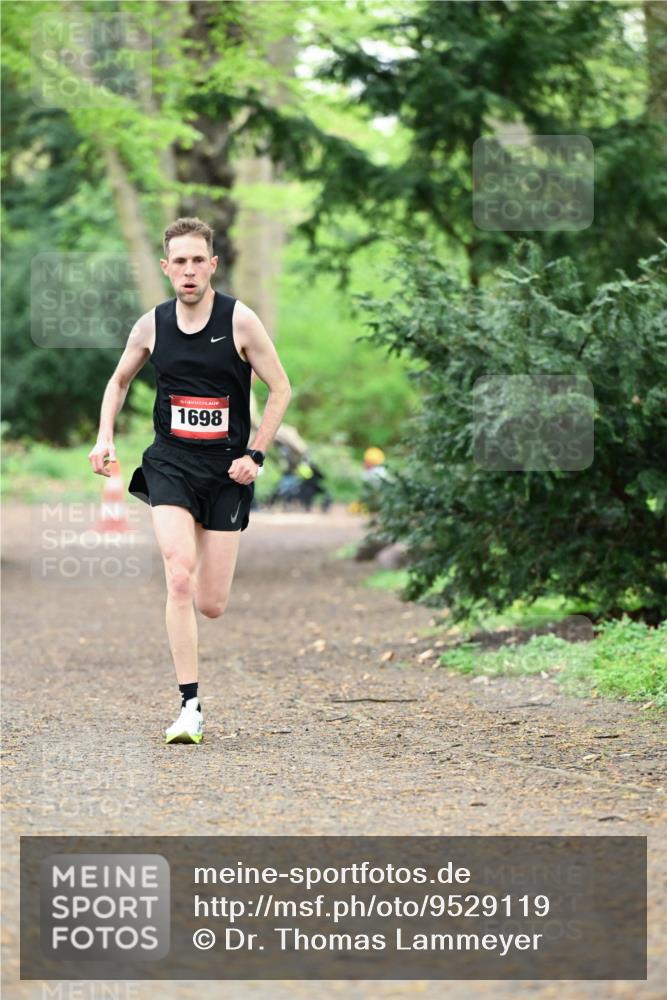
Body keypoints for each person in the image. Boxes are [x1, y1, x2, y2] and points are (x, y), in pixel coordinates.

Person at [88, 217, 292, 744]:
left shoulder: (240, 321)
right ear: (165, 267)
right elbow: (119, 380)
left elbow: (281, 389)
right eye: (179, 261)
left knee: (211, 602)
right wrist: (104, 436)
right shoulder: (151, 325)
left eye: (197, 260)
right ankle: (189, 705)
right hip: (171, 465)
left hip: (227, 471)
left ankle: (193, 678)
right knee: (178, 574)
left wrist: (257, 454)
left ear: (212, 265)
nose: (188, 270)